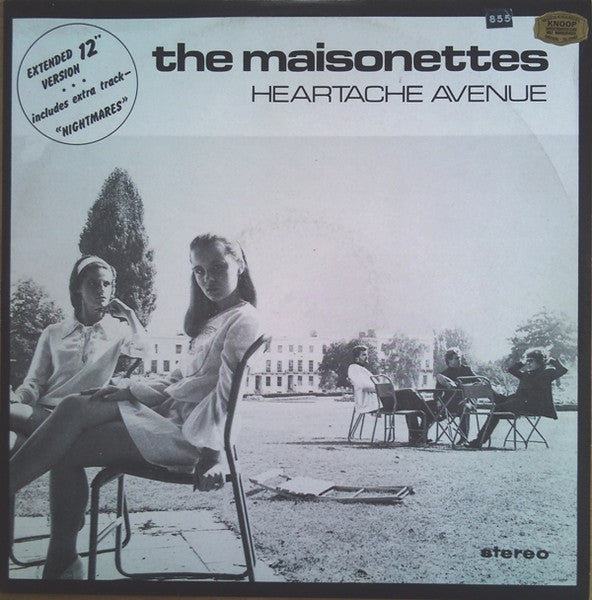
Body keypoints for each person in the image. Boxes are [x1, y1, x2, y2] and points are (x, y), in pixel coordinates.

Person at [9, 234, 260, 579]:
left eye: (217, 268)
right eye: (199, 271)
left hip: (188, 435)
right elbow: (175, 379)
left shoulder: (244, 320)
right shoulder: (214, 318)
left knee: (63, 448)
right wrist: (128, 390)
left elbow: (228, 394)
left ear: (240, 265)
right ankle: (62, 560)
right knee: (73, 406)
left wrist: (215, 454)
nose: (208, 279)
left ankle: (61, 560)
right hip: (164, 417)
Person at [9, 255, 148, 451]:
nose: (101, 290)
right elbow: (34, 382)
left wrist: (129, 314)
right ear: (77, 288)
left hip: (84, 417)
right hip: (43, 413)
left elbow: (144, 350)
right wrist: (19, 398)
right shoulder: (53, 332)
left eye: (106, 284)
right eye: (93, 283)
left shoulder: (118, 331)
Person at [466, 348, 567, 448]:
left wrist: (552, 361)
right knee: (491, 393)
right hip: (518, 402)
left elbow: (563, 370)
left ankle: (479, 440)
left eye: (531, 361)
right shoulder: (527, 374)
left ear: (540, 362)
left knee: (497, 408)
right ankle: (484, 390)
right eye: (527, 361)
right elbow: (511, 370)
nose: (528, 363)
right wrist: (522, 362)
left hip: (533, 406)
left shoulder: (547, 373)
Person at [434, 347, 476, 441]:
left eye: (460, 357)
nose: (459, 360)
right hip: (450, 403)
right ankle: (421, 437)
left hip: (467, 400)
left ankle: (463, 438)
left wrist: (461, 385)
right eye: (457, 358)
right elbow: (437, 392)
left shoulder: (467, 370)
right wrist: (437, 401)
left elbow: (478, 383)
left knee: (465, 406)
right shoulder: (444, 374)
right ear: (449, 360)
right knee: (428, 406)